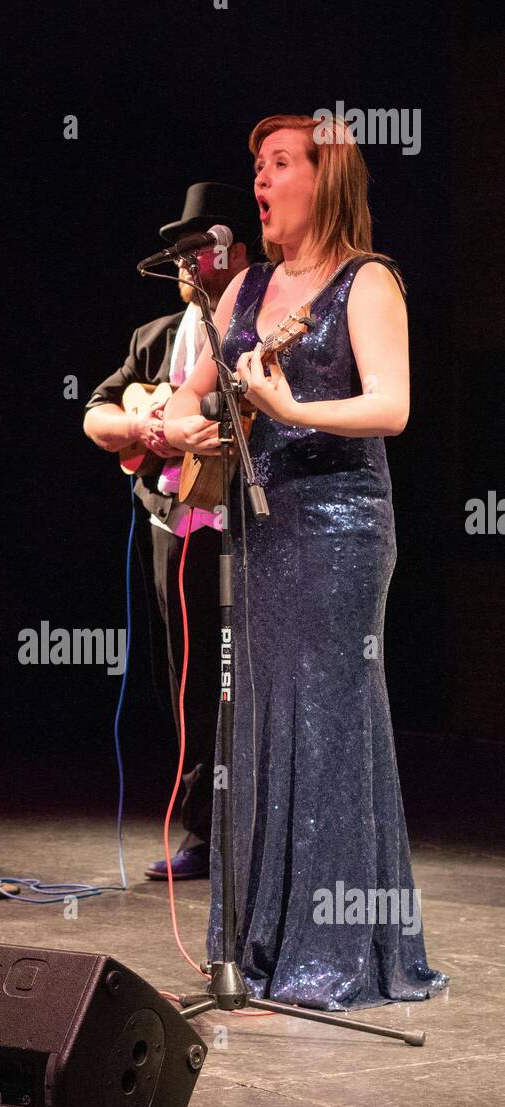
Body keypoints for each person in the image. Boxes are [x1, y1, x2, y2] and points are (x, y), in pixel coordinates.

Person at [163, 116, 448, 1010]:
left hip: (340, 527)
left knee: (327, 723)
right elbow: (189, 394)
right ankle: (258, 945)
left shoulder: (368, 282)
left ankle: (335, 955)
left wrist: (293, 408)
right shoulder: (243, 289)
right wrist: (176, 423)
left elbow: (392, 407)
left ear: (325, 180)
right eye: (257, 164)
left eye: (281, 163)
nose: (262, 178)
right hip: (258, 529)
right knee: (258, 723)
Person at [84, 183, 260, 880]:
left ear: (236, 253)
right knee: (185, 683)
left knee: (242, 680)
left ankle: (252, 832)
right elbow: (96, 415)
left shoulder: (253, 329)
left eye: (199, 248)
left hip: (245, 530)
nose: (186, 261)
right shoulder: (153, 339)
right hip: (172, 526)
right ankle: (202, 831)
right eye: (178, 253)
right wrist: (145, 425)